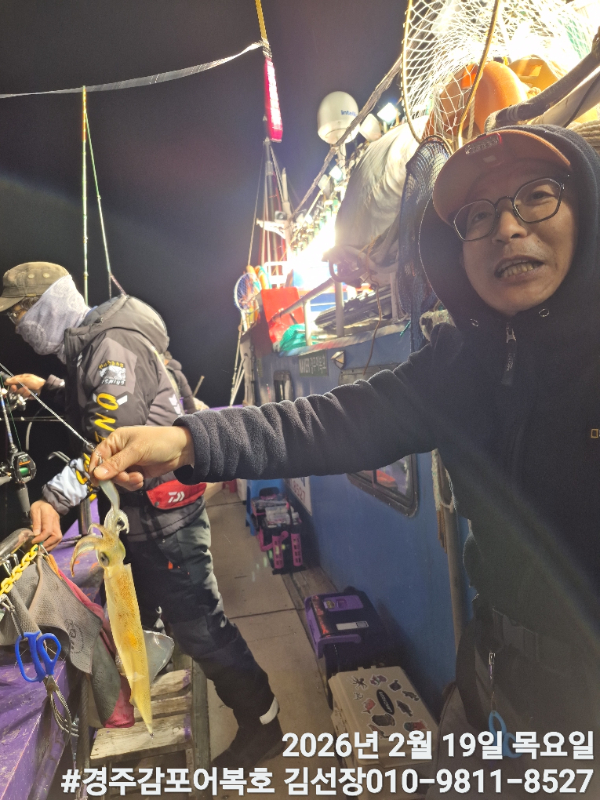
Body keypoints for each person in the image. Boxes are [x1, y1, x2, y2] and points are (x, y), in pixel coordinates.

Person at [88, 125, 600, 794]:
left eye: (536, 196)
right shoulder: (460, 363)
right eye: (478, 215)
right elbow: (332, 420)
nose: (506, 227)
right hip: (491, 668)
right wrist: (186, 441)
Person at [0, 263, 282, 769]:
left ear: (51, 302)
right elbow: (91, 399)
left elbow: (109, 444)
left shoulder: (110, 347)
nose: (18, 326)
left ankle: (263, 723)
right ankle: (147, 696)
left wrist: (51, 499)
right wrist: (48, 388)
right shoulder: (92, 345)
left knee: (202, 627)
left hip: (165, 523)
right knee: (146, 615)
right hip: (142, 518)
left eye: (22, 311)